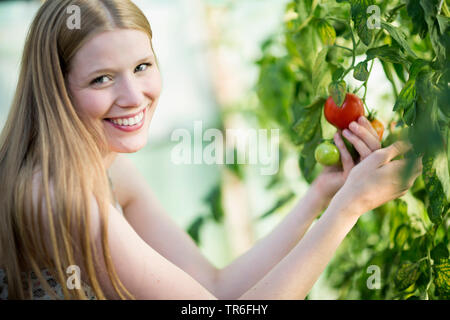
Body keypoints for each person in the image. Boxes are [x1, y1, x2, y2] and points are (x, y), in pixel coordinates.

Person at [0, 0, 422, 300]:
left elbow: (214, 291)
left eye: (142, 67)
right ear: (57, 90)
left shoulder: (111, 170)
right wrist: (349, 207)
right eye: (102, 79)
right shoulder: (56, 196)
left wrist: (322, 196)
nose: (134, 96)